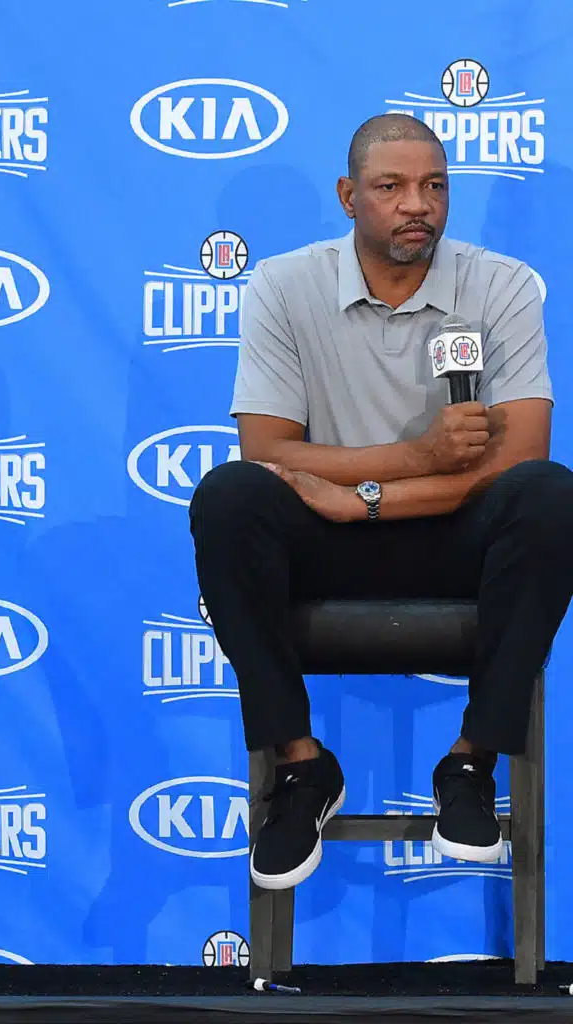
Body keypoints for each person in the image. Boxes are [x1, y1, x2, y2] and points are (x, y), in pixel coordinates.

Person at [190, 113, 573, 893]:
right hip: (329, 542)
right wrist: (414, 460)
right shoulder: (284, 285)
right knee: (229, 496)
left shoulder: (501, 285)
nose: (417, 205)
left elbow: (521, 456)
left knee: (549, 494)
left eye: (434, 186)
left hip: (454, 536)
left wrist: (361, 499)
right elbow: (268, 451)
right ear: (348, 196)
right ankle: (301, 766)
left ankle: (471, 763)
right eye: (392, 187)